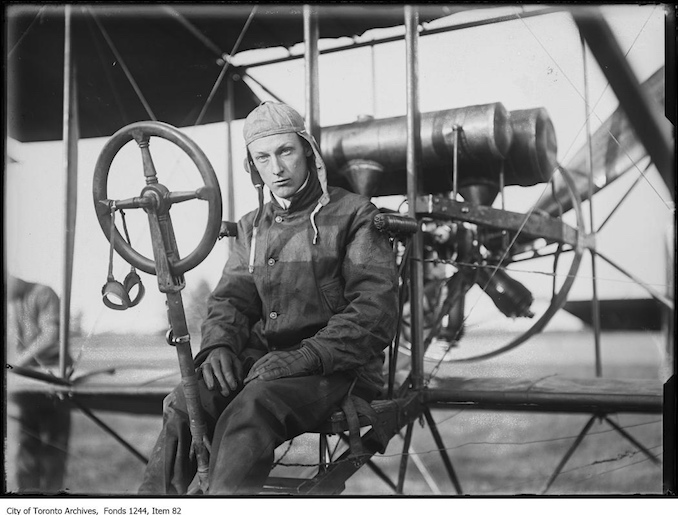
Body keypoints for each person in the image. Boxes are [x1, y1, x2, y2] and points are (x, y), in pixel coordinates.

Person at [139, 102, 399, 495]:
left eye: (286, 151)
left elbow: (374, 311)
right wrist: (219, 346)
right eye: (263, 157)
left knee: (252, 409)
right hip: (263, 363)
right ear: (253, 166)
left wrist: (305, 356)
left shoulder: (355, 215)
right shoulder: (251, 227)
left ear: (308, 152)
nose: (276, 168)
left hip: (337, 369)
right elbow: (231, 301)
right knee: (183, 402)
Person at [6, 275, 71, 493]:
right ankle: (28, 497)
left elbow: (50, 335)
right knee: (26, 444)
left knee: (54, 444)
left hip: (52, 376)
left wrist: (16, 363)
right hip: (26, 381)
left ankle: (54, 497)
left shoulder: (43, 292)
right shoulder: (13, 301)